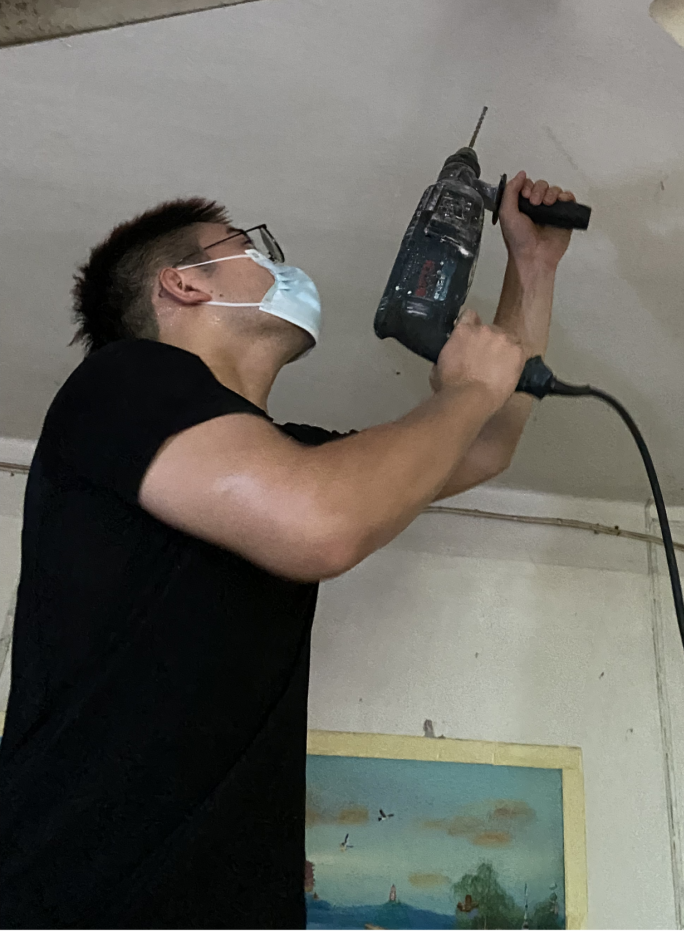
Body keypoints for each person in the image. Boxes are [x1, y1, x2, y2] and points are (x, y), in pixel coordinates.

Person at [0, 171, 574, 930]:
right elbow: (321, 524)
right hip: (72, 895)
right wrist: (466, 391)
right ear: (182, 282)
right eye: (251, 247)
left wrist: (532, 265)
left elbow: (486, 444)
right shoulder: (121, 382)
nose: (280, 265)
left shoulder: (297, 459)